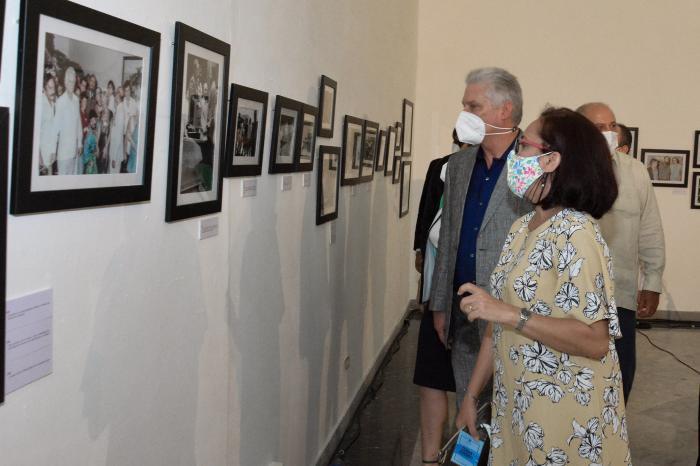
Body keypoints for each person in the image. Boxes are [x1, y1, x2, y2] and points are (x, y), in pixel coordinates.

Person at [457, 107, 631, 465]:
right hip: (519, 406)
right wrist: (471, 396)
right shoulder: (522, 227)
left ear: (552, 161)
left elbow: (595, 340)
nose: (514, 156)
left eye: (523, 145)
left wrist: (507, 312)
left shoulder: (577, 233)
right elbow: (498, 322)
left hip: (565, 416)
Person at [429, 67, 530, 421]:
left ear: (504, 110)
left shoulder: (533, 165)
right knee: (468, 412)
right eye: (464, 106)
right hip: (464, 312)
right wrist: (440, 304)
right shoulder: (458, 165)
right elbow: (449, 238)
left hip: (515, 315)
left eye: (473, 106)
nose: (464, 115)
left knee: (512, 417)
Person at [578, 102, 665, 401]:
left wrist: (652, 282)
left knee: (620, 378)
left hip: (620, 296)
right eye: (599, 127)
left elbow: (650, 229)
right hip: (572, 299)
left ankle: (611, 445)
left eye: (612, 126)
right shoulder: (564, 170)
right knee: (578, 379)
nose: (608, 133)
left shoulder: (636, 172)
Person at [412, 146, 454, 464]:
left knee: (473, 388)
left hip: (480, 299)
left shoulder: (508, 174)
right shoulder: (442, 167)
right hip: (438, 290)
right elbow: (429, 219)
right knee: (431, 376)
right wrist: (420, 249)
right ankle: (430, 457)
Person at [54, 66, 83, 175]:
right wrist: (53, 149)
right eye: (70, 82)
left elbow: (78, 123)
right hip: (63, 151)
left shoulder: (76, 100)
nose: (72, 84)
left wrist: (80, 143)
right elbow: (55, 128)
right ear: (66, 82)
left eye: (74, 82)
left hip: (73, 150)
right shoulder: (60, 101)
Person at [39, 74, 58, 175]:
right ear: (44, 89)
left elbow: (54, 131)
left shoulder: (54, 104)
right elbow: (35, 133)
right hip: (42, 156)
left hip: (51, 154)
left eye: (54, 87)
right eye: (49, 88)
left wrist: (54, 151)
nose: (53, 91)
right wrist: (39, 157)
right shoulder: (41, 104)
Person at [109, 86, 126, 174]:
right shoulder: (118, 109)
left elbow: (119, 136)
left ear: (119, 95)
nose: (115, 94)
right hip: (114, 151)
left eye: (117, 93)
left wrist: (114, 157)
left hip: (115, 154)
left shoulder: (120, 111)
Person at [82, 110, 98, 175]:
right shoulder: (89, 131)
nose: (94, 122)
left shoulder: (93, 130)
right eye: (93, 120)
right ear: (90, 121)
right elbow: (86, 146)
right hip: (90, 160)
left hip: (93, 158)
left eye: (95, 120)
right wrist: (88, 160)